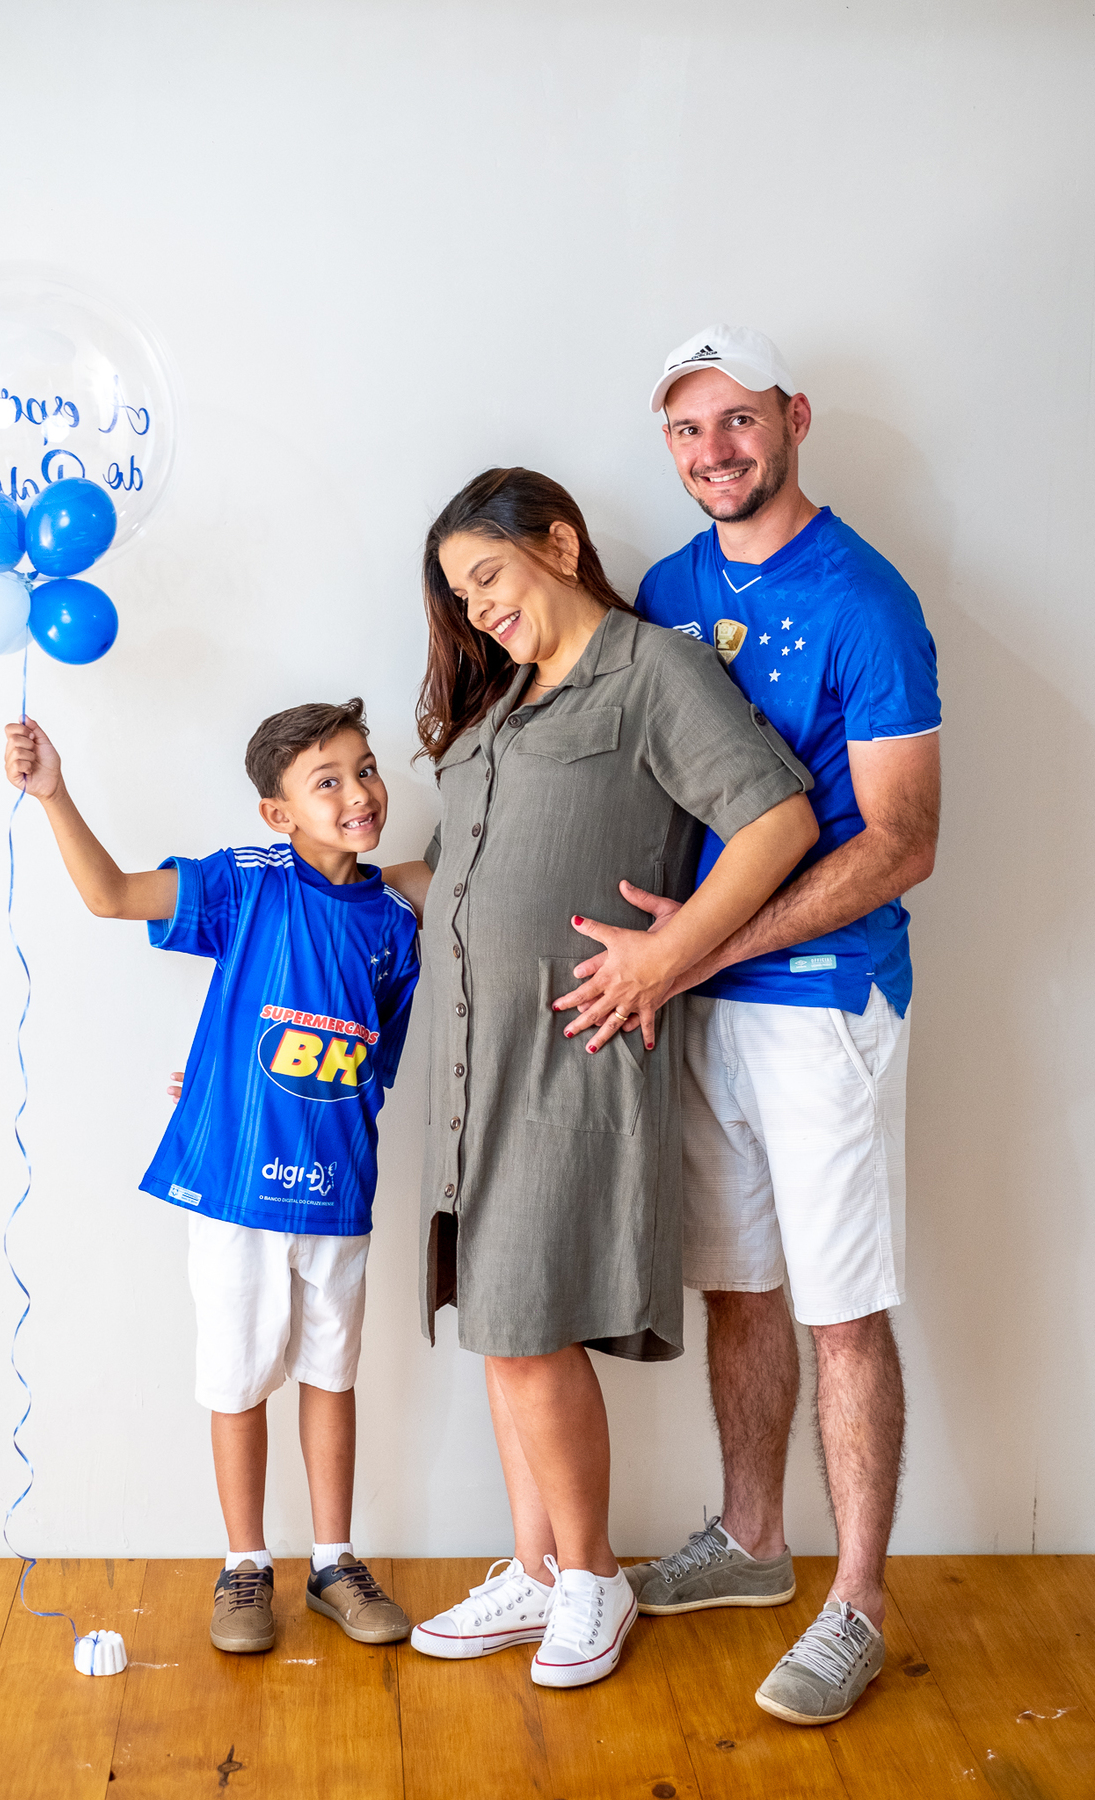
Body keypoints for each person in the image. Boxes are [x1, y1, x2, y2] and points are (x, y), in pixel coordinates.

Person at [557, 324, 941, 1725]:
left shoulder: (866, 600)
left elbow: (902, 841)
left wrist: (698, 945)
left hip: (824, 1004)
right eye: (687, 429)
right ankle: (754, 1540)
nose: (713, 450)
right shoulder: (668, 588)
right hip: (698, 1004)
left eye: (737, 420)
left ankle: (858, 1605)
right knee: (742, 1287)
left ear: (794, 417)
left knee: (842, 1311)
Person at [380, 465, 819, 1689]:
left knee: (529, 1325)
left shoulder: (653, 672)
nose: (478, 609)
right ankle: (536, 1568)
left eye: (488, 576)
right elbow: (466, 877)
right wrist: (347, 873)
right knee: (498, 1322)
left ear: (560, 545)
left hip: (569, 1053)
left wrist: (669, 957)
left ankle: (591, 1580)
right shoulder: (504, 704)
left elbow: (777, 821)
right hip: (474, 1060)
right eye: (460, 596)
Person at [2, 698, 420, 1656]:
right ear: (278, 813)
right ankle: (245, 1566)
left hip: (338, 1194)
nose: (358, 793)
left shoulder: (400, 919)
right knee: (238, 1382)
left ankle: (334, 1563)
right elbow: (110, 895)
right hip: (236, 1191)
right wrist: (54, 793)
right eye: (327, 782)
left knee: (332, 1376)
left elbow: (368, 1056)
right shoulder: (247, 883)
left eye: (365, 769)